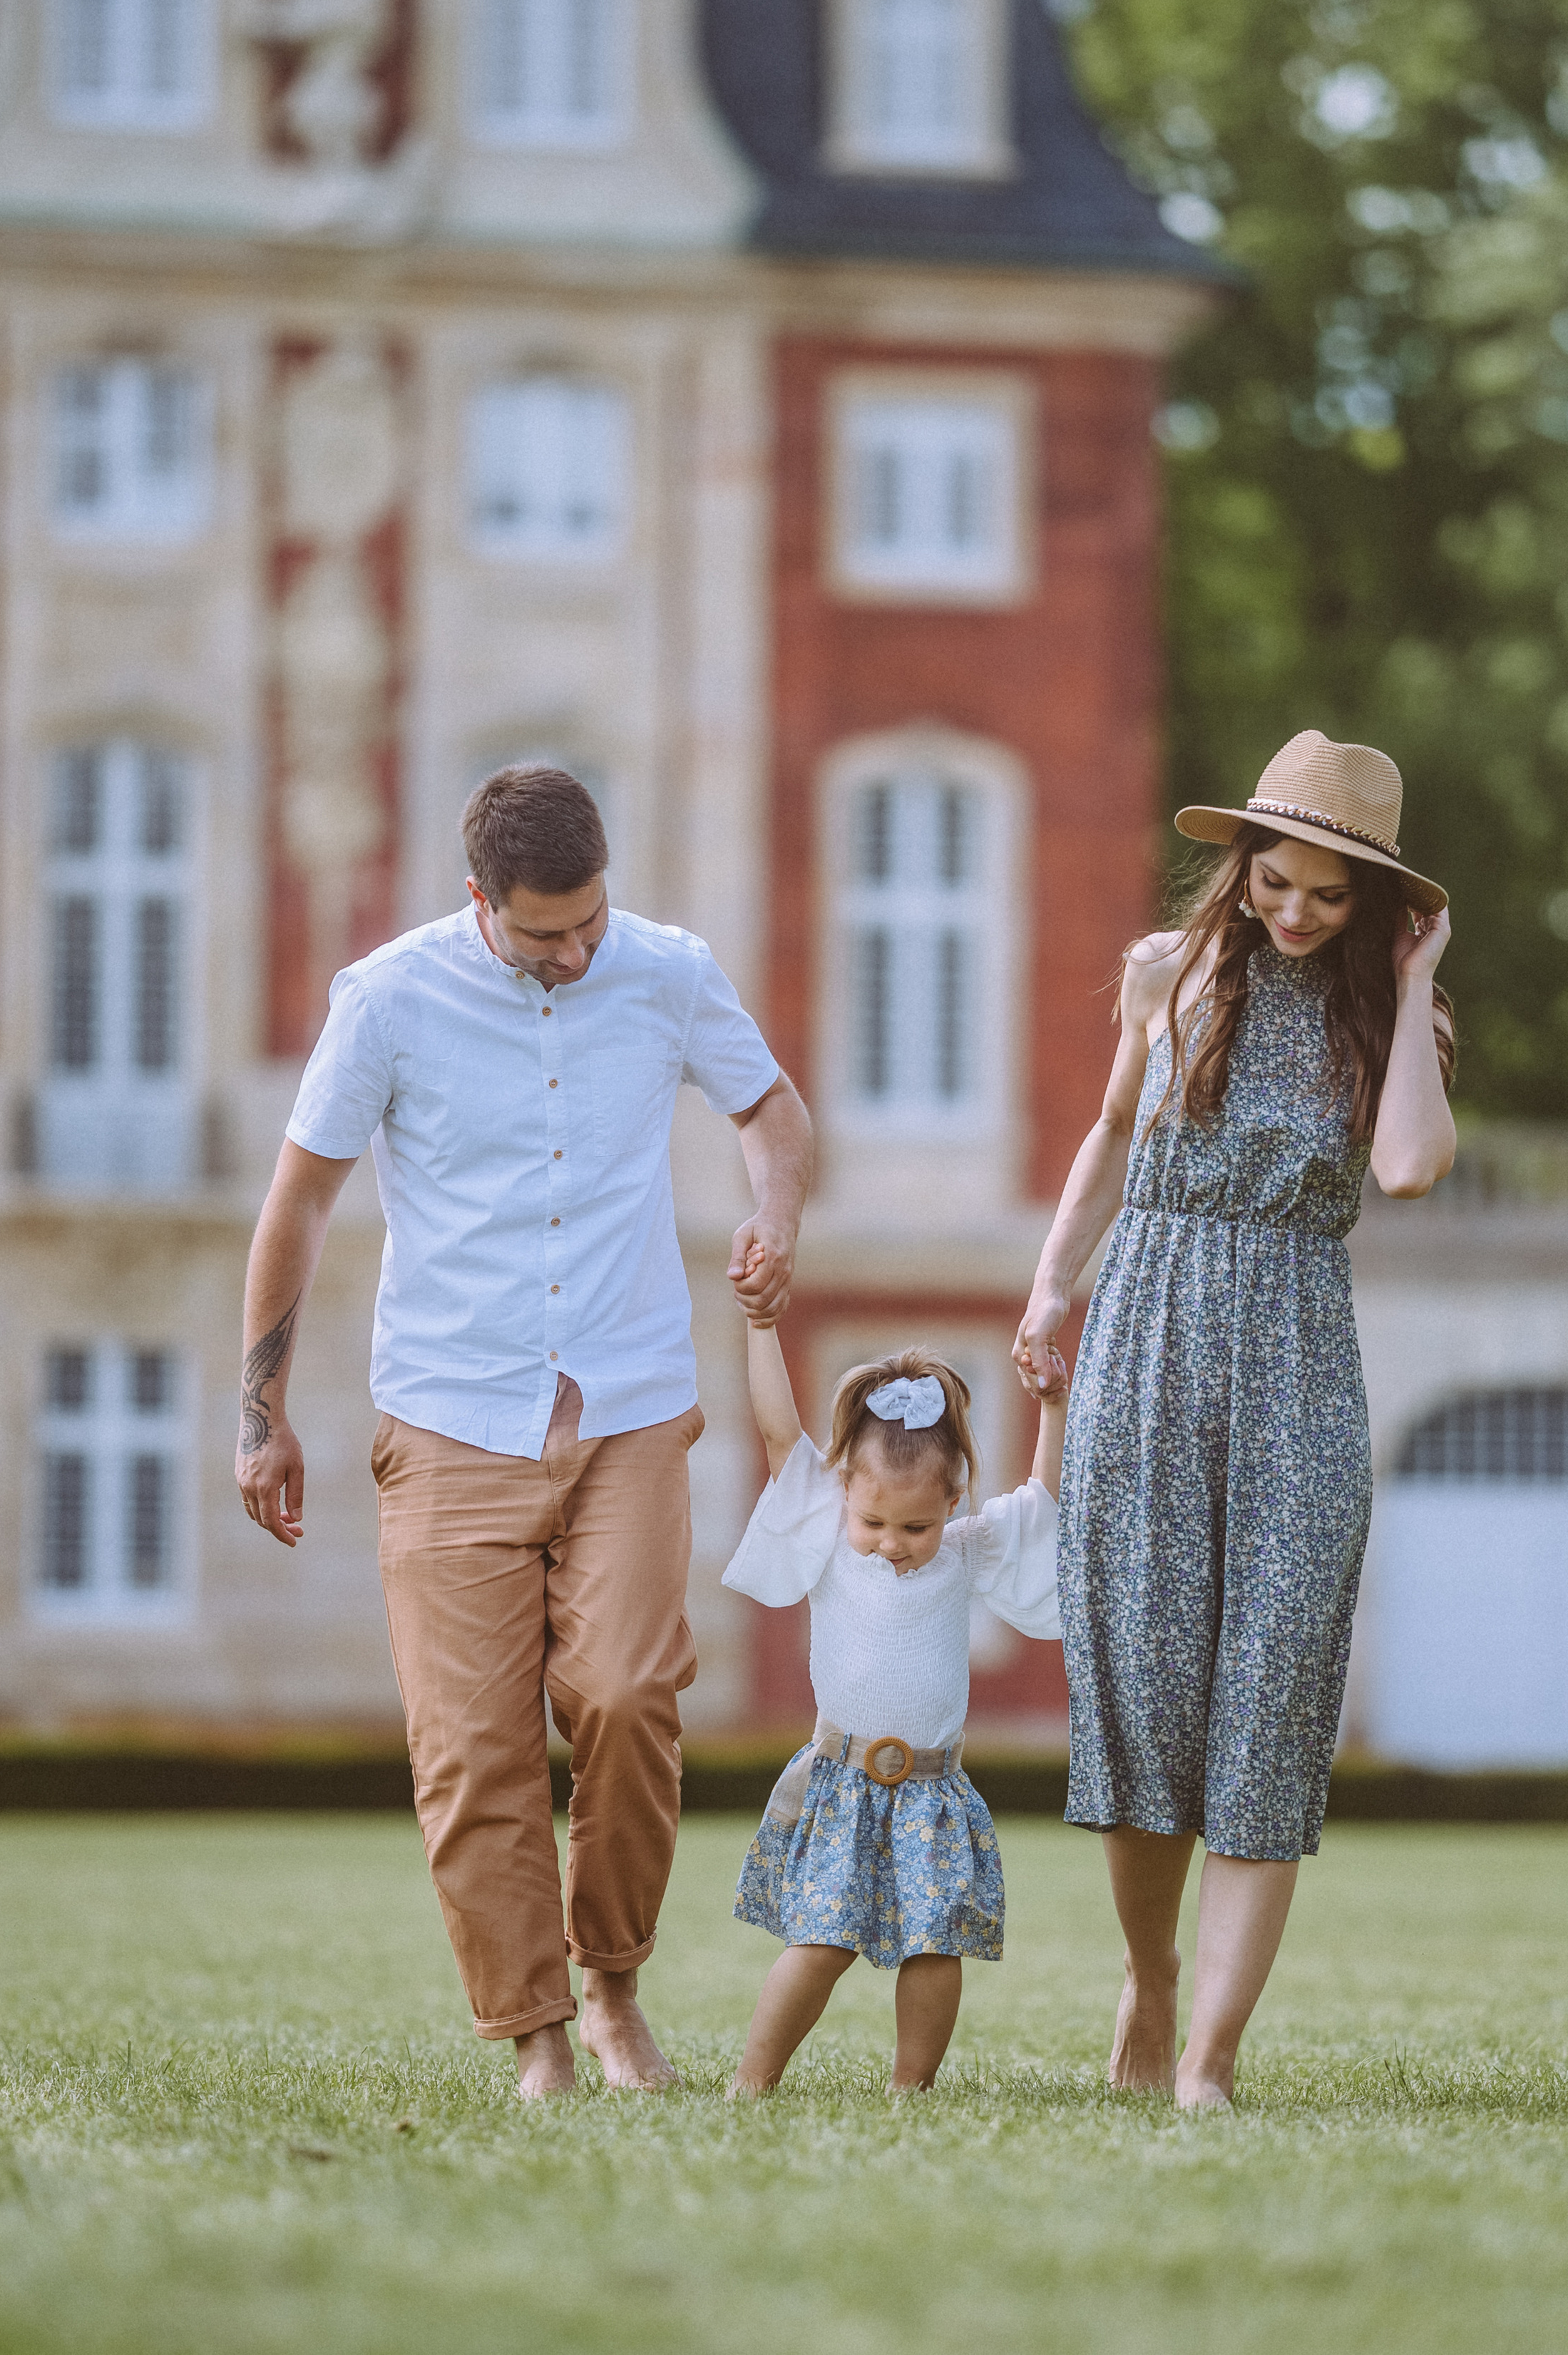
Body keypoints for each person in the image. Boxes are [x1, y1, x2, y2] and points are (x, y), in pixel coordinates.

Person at [234, 766, 812, 2100]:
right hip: (448, 1410)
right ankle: (538, 2034)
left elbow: (771, 1113)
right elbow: (300, 1201)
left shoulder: (667, 970)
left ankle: (612, 1987)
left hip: (629, 1404)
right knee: (473, 1748)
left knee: (628, 1691)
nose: (577, 952)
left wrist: (775, 1214)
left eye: (591, 919)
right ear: (479, 899)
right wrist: (260, 1413)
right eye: (547, 933)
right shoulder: (387, 998)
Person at [1013, 730, 1455, 2109]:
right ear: (1242, 860)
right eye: (1277, 880)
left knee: (1274, 1693)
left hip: (1299, 1358)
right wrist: (1051, 1288)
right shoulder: (1169, 972)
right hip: (1146, 1334)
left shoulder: (1387, 1015)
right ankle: (1150, 1974)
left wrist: (1417, 984)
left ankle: (1208, 2055)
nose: (1297, 911)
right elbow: (1110, 1136)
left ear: (1375, 898)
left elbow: (1409, 1165)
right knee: (1144, 1692)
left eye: (1331, 892)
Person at [721, 1294, 1065, 2096]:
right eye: (874, 1522)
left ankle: (911, 2087)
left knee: (935, 1946)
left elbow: (1038, 1503)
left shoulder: (965, 1552)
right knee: (819, 1943)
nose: (892, 1545)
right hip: (841, 1781)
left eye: (916, 1528)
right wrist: (762, 1326)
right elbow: (780, 1435)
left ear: (952, 1504)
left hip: (932, 1793)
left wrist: (1051, 1409)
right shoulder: (831, 1538)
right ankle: (752, 2081)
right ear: (844, 1490)